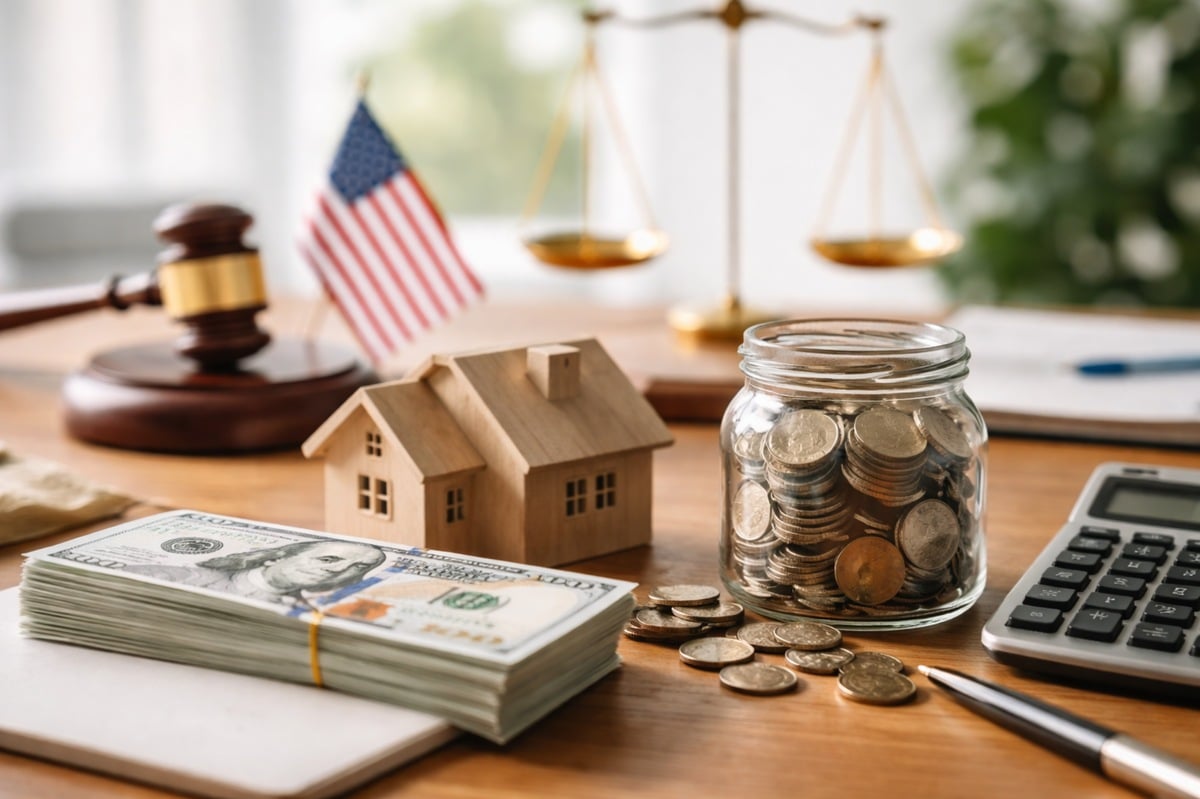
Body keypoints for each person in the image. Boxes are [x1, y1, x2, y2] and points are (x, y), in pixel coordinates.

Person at [125, 540, 386, 605]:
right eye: (328, 558)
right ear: (281, 554)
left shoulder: (309, 615)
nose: (339, 570)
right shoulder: (165, 577)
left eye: (359, 567)